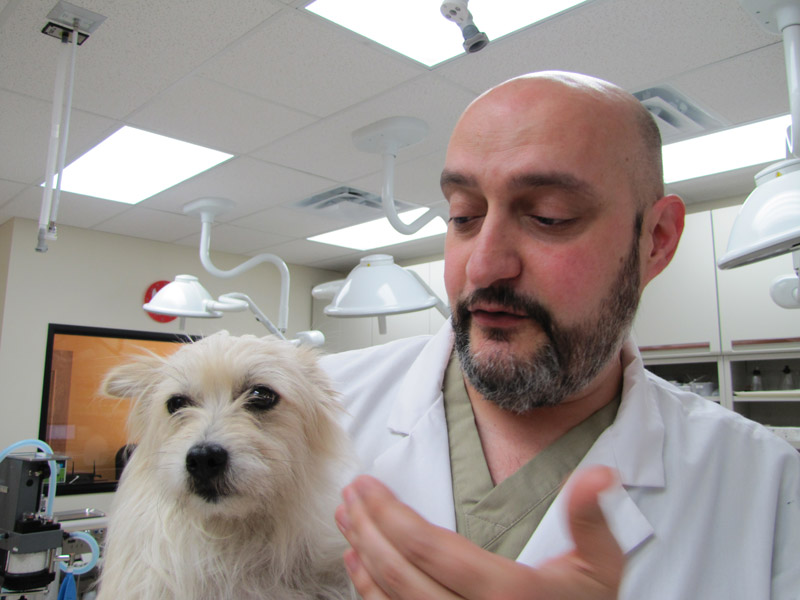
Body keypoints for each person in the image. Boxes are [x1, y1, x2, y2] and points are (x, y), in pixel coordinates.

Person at [320, 71, 800, 599]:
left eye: (550, 217)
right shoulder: (311, 405)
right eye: (463, 216)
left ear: (656, 241)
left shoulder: (770, 489)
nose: (484, 265)